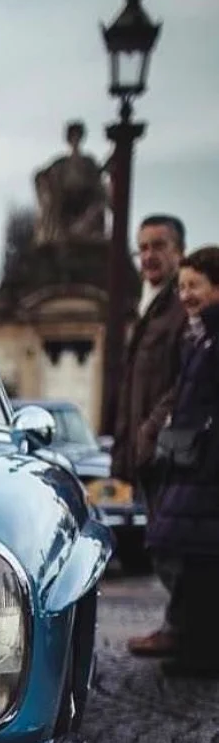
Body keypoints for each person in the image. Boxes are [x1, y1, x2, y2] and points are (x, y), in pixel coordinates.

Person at [113, 215, 189, 657]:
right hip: (149, 451)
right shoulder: (150, 305)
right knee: (162, 540)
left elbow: (184, 383)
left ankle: (184, 632)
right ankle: (181, 629)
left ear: (179, 251)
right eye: (142, 247)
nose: (148, 256)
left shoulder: (181, 307)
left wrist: (149, 432)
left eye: (158, 245)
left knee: (172, 544)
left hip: (171, 451)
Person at [143, 246, 219, 678]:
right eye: (182, 286)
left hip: (206, 467)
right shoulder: (200, 337)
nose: (186, 294)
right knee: (192, 557)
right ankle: (191, 643)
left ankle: (199, 650)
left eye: (195, 285)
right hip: (193, 463)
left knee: (200, 560)